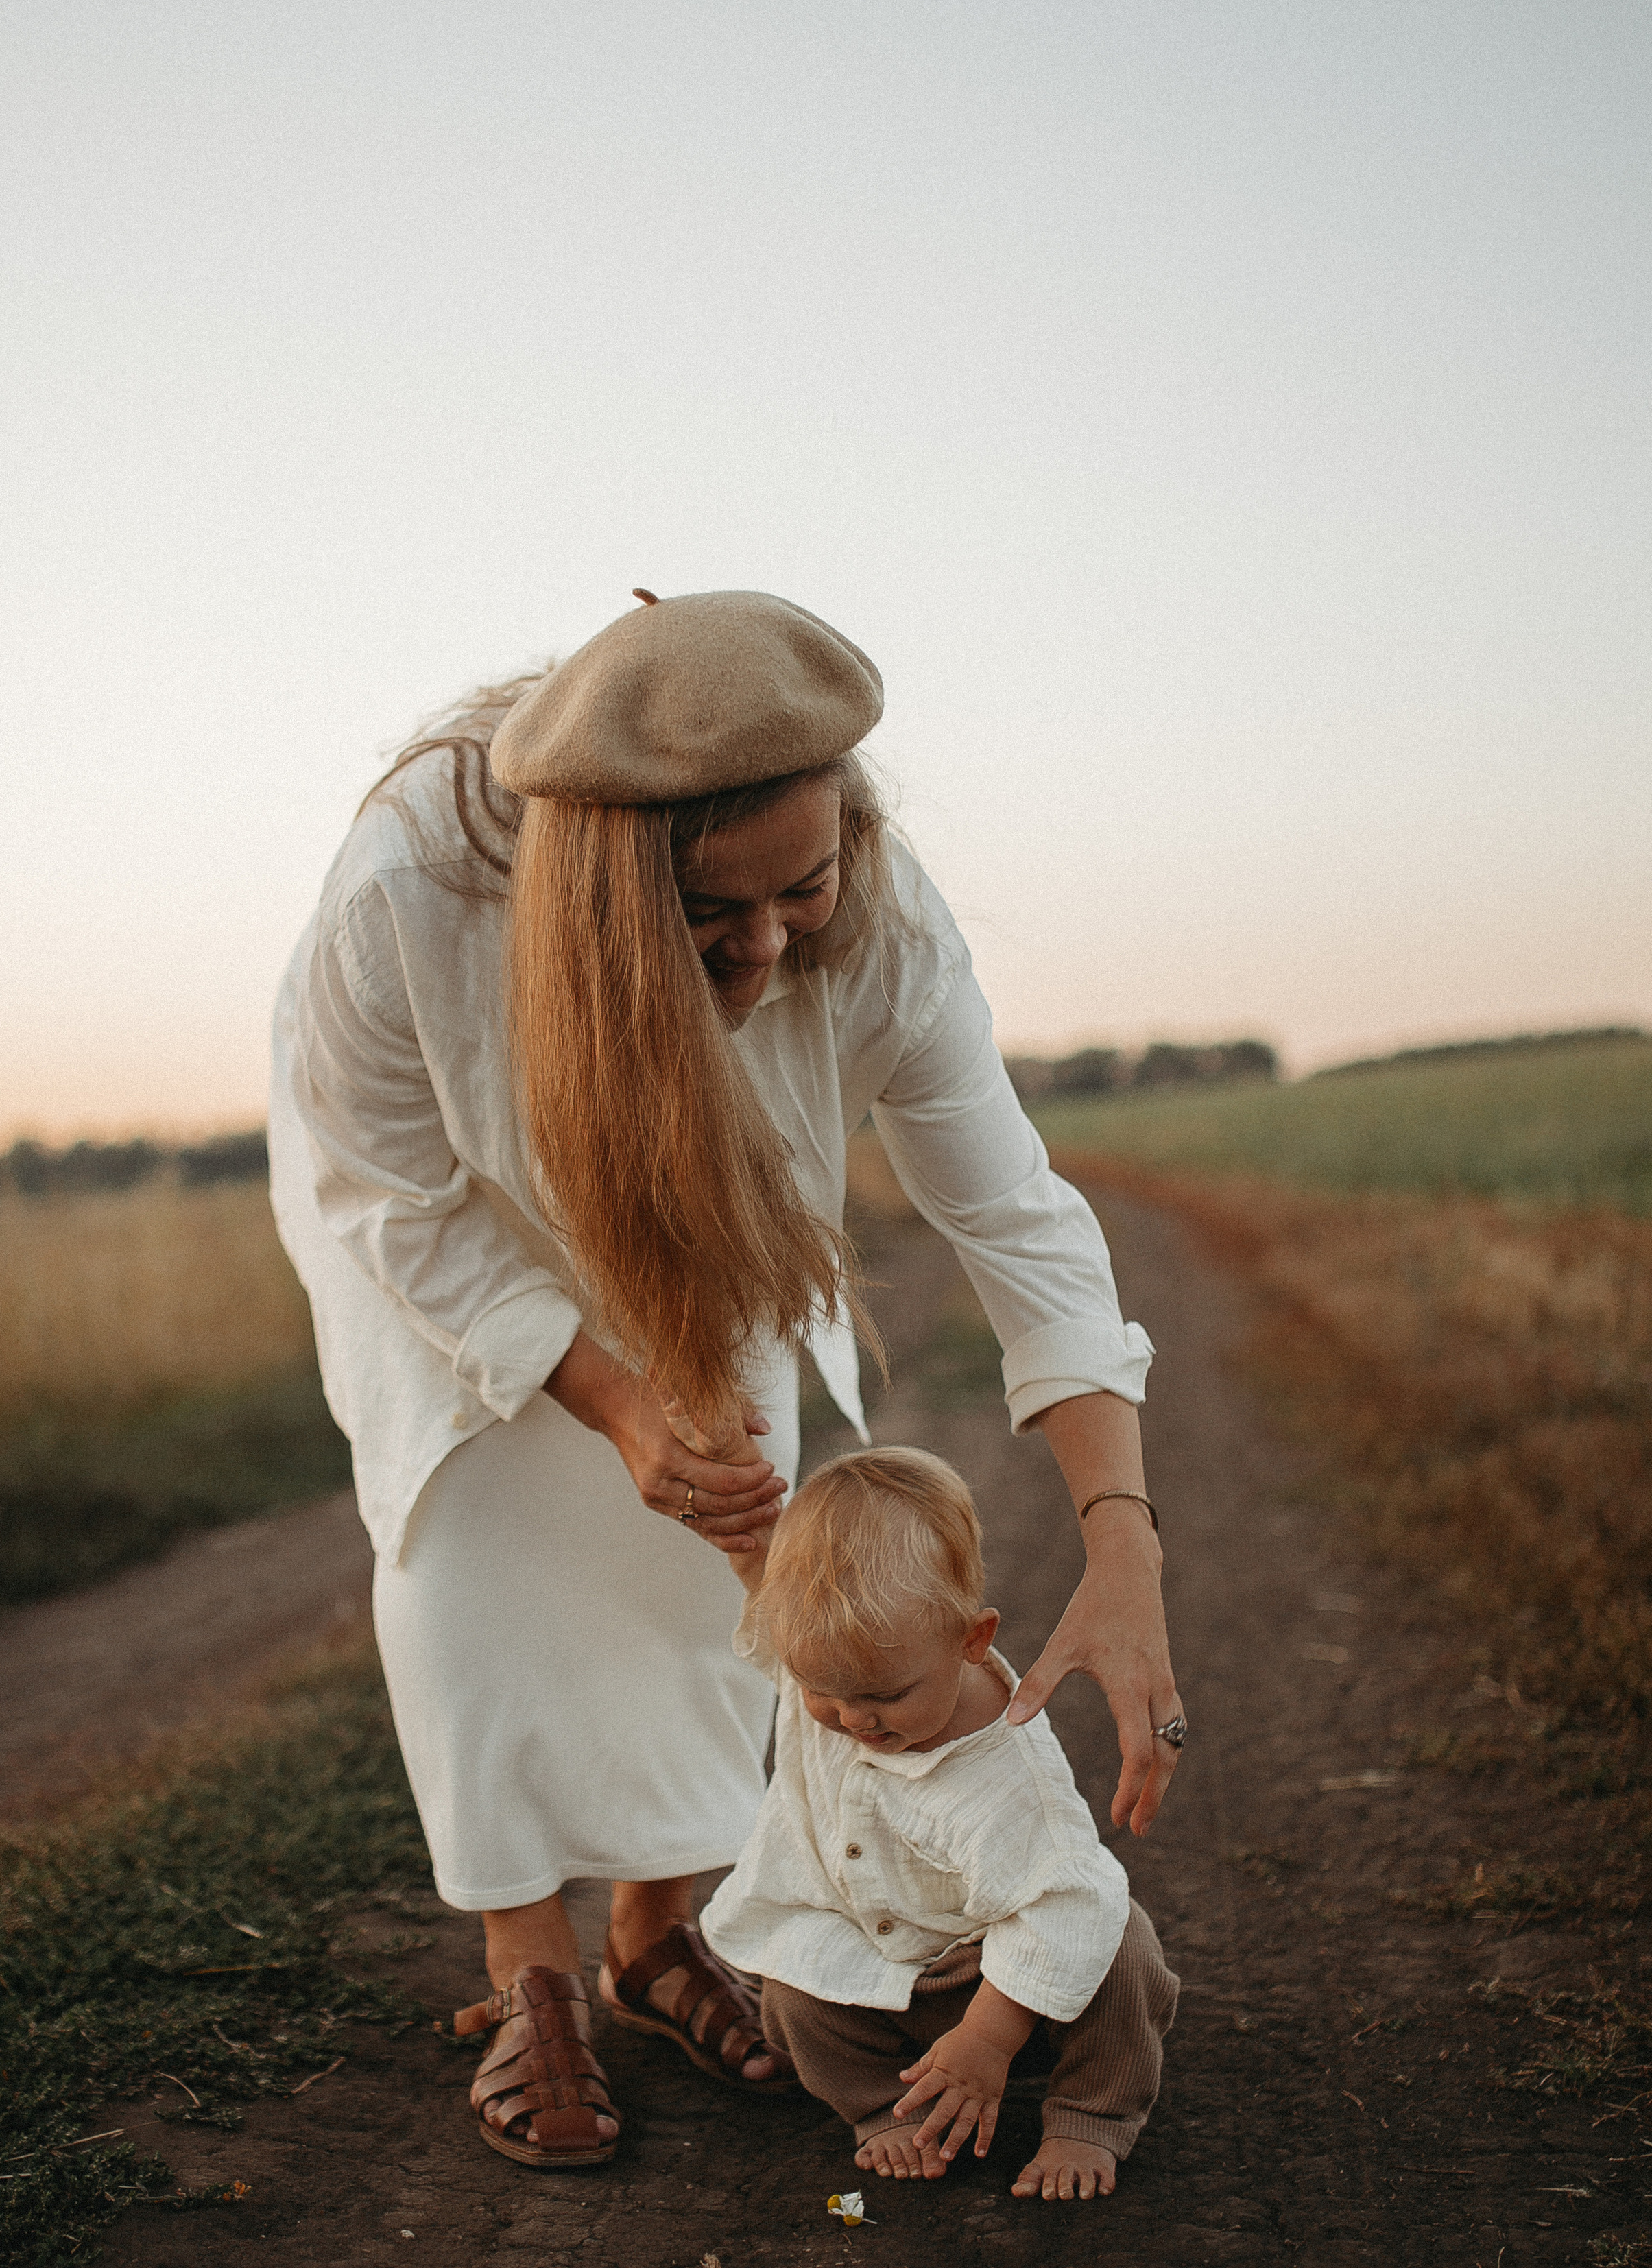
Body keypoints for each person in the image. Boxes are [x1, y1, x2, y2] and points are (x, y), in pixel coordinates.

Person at [268, 588, 1184, 2171]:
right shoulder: (406, 897)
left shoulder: (879, 926)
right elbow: (390, 1204)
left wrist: (1121, 1541)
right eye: (713, 916)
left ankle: (653, 1930)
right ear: (600, 890)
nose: (772, 944)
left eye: (802, 887)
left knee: (716, 1551)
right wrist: (610, 1397)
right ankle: (528, 1973)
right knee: (473, 1560)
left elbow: (1013, 1217)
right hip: (451, 1236)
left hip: (706, 1219)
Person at [699, 1447, 1180, 2200]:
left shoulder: (1003, 1774)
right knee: (793, 1993)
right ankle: (881, 2105)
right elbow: (765, 1588)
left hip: (1006, 1981)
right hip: (877, 1961)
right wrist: (727, 1509)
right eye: (820, 1690)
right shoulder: (830, 1660)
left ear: (972, 1640)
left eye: (885, 1695)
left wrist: (987, 2039)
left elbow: (1060, 1910)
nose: (853, 1719)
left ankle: (1089, 2115)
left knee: (1120, 1948)